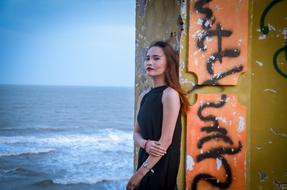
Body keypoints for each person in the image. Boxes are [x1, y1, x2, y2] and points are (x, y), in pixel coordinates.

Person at [126, 41, 190, 190]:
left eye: (156, 58)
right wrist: (145, 144)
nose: (149, 62)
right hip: (146, 158)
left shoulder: (170, 94)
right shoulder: (144, 95)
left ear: (168, 63)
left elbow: (165, 142)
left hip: (162, 164)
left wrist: (139, 175)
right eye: (147, 58)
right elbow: (136, 132)